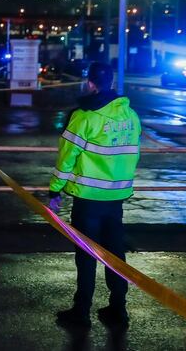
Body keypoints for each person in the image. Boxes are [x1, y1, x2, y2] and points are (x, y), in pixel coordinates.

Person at [49, 61, 141, 330]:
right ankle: (118, 309)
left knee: (86, 256)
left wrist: (55, 190)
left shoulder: (84, 117)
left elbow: (66, 158)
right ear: (111, 82)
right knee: (115, 254)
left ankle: (81, 312)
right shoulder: (130, 116)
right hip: (116, 199)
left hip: (88, 200)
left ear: (90, 83)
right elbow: (133, 153)